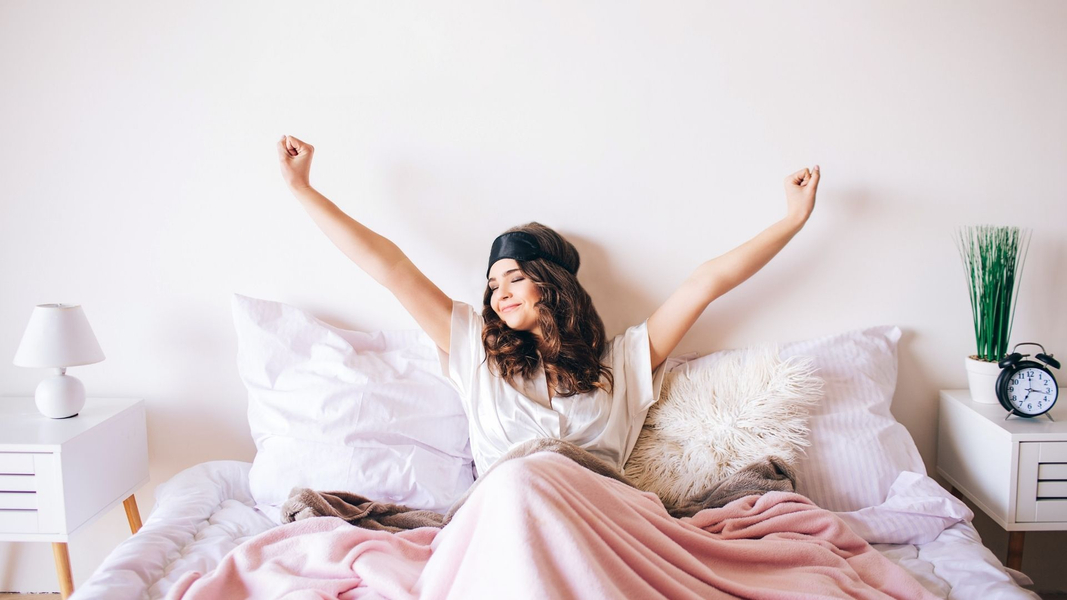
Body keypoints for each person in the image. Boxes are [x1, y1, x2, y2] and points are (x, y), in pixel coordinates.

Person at [276, 134, 820, 479]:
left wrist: (792, 220)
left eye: (514, 276)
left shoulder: (621, 365)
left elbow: (704, 283)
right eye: (492, 285)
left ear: (551, 285)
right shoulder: (476, 353)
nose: (499, 292)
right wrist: (304, 191)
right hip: (508, 515)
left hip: (601, 520)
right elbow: (390, 267)